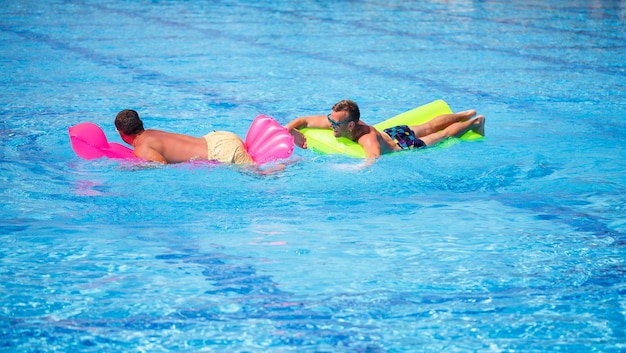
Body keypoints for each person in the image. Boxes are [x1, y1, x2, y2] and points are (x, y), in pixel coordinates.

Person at [285, 99, 485, 159]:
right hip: (391, 131)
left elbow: (372, 161)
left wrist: (346, 168)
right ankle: (463, 113)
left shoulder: (367, 138)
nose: (331, 125)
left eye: (336, 123)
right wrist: (288, 130)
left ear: (351, 125)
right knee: (428, 125)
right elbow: (303, 120)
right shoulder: (337, 122)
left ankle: (474, 122)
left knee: (441, 134)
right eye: (331, 120)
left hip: (404, 144)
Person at [114, 109, 253, 164]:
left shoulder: (142, 148)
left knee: (259, 176)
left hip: (222, 152)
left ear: (121, 133)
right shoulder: (151, 132)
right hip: (219, 137)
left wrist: (133, 167)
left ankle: (275, 169)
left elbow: (160, 164)